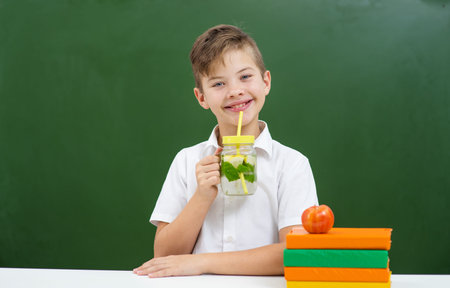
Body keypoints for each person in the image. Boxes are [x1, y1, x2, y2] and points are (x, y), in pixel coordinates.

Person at [133, 24, 318, 278]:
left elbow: (295, 255)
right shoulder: (187, 161)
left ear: (265, 82)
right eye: (218, 83)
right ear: (202, 98)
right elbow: (164, 258)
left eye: (245, 77)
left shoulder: (291, 164)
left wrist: (201, 262)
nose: (235, 91)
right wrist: (202, 196)